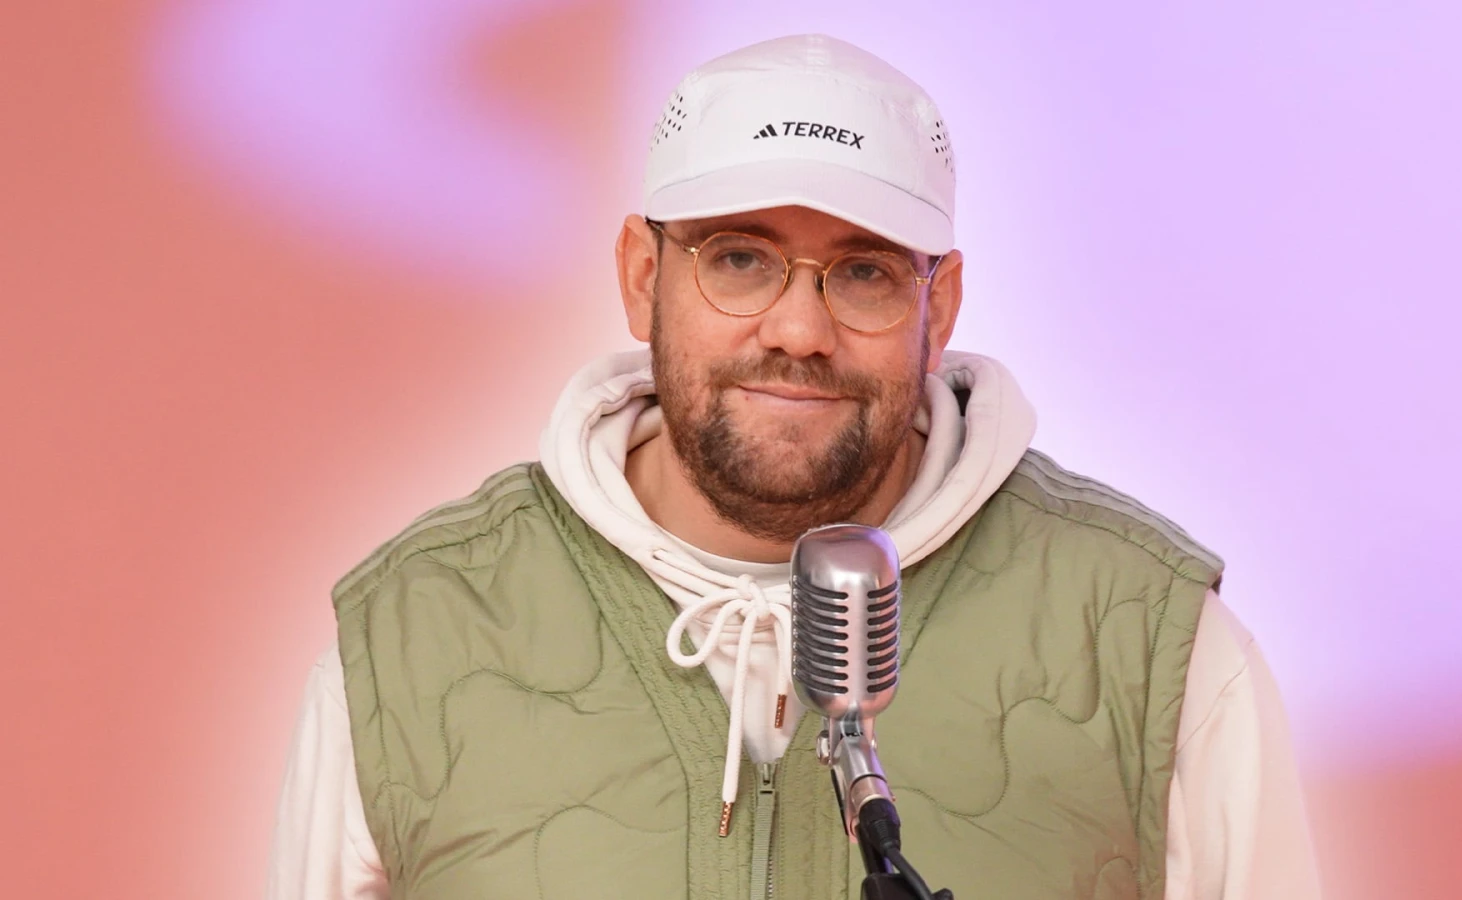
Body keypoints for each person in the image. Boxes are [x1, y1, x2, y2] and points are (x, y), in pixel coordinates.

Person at [265, 33, 1320, 900]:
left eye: (862, 272)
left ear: (940, 306)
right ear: (642, 276)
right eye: (739, 258)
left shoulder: (1152, 647)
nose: (799, 330)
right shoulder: (413, 643)